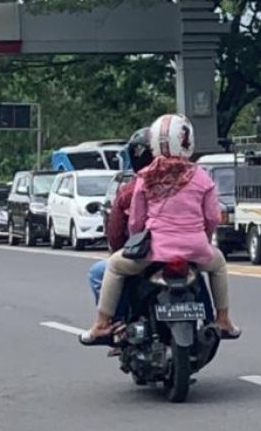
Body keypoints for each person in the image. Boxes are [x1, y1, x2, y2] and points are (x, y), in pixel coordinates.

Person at [80, 113, 240, 345]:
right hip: (195, 250)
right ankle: (223, 319)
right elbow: (212, 218)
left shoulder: (145, 178)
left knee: (114, 266)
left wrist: (140, 238)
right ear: (188, 142)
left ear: (154, 143)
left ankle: (102, 324)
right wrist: (201, 241)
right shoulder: (202, 177)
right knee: (219, 264)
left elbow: (136, 221)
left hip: (155, 251)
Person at [85, 127, 153, 322]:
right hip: (187, 250)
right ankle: (216, 319)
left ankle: (114, 323)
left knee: (100, 272)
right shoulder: (186, 183)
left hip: (146, 254)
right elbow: (209, 219)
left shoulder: (133, 189)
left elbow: (119, 232)